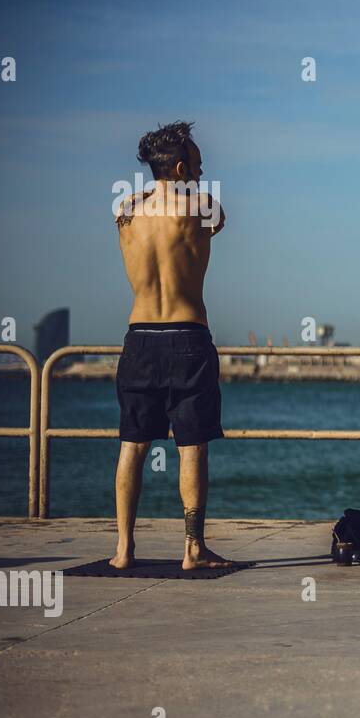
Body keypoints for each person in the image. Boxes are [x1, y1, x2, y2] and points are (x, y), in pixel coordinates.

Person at [110, 121, 233, 570]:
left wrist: (151, 194)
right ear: (181, 167)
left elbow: (132, 205)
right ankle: (193, 549)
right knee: (192, 444)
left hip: (139, 337)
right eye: (197, 166)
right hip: (187, 337)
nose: (202, 174)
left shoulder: (125, 211)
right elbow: (217, 218)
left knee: (132, 444)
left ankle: (123, 550)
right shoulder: (202, 208)